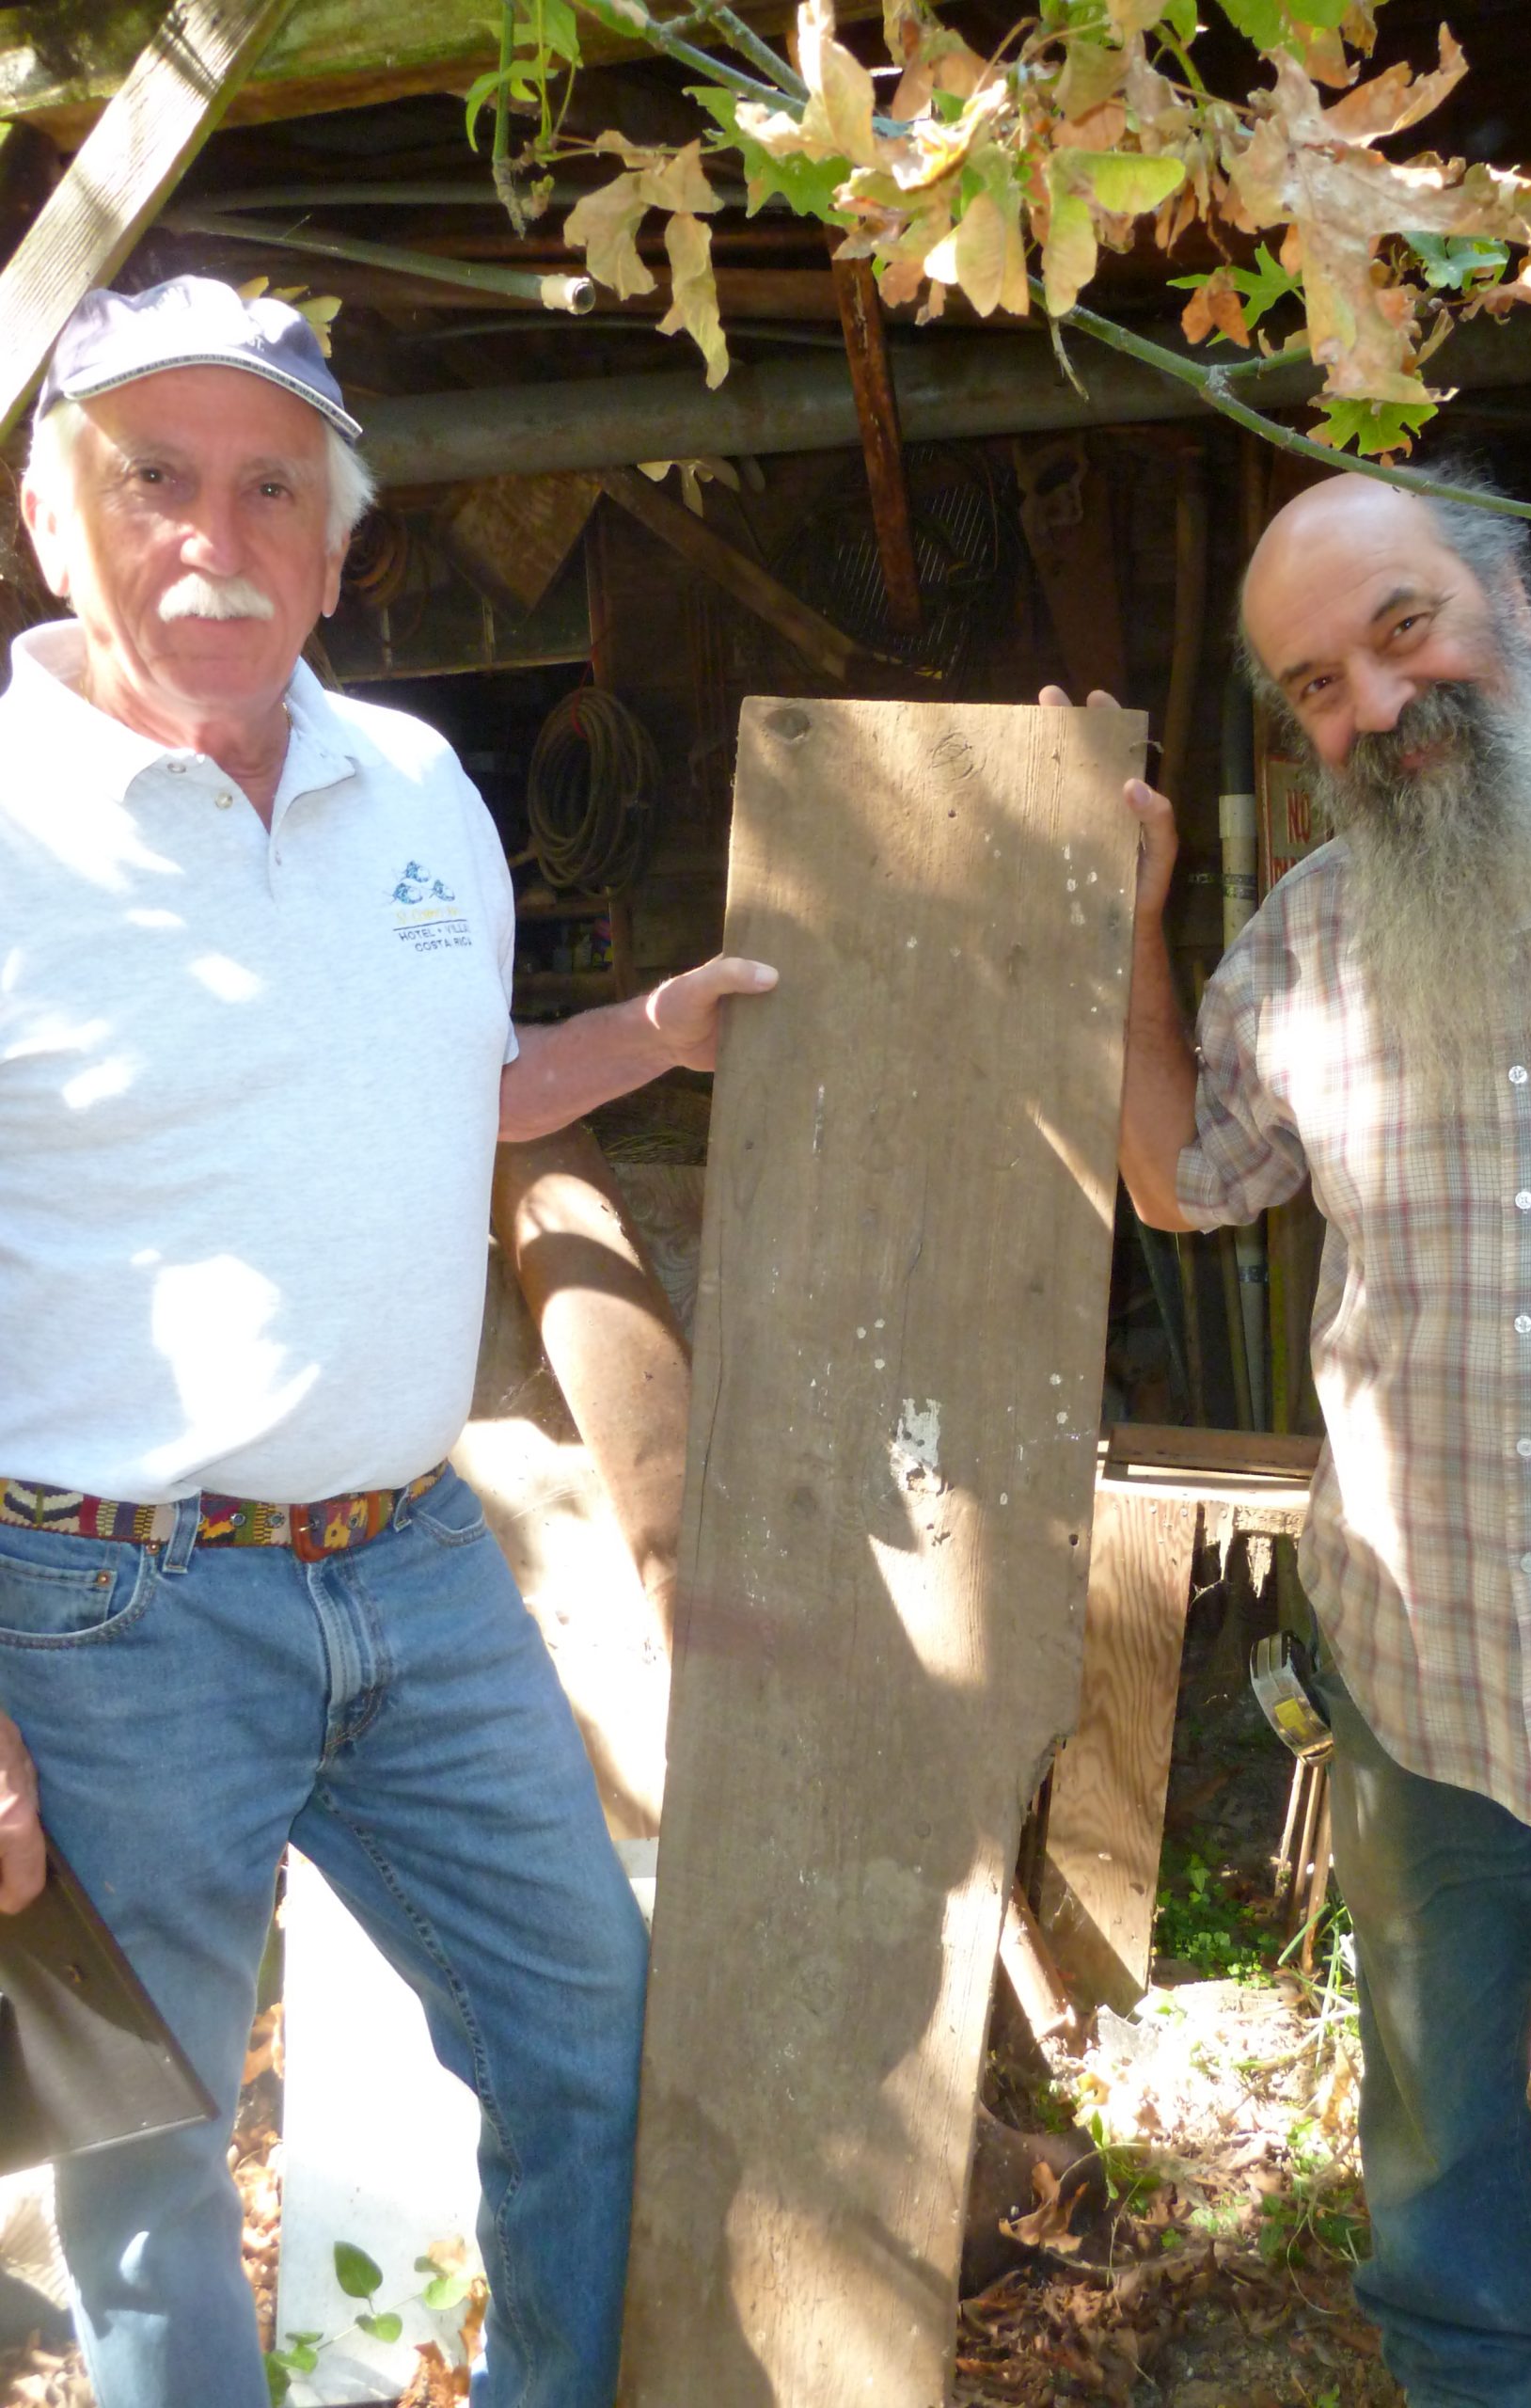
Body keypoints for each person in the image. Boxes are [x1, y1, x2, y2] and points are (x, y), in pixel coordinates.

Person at [0, 275, 775, 2408]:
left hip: (416, 1565)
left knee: (589, 2037)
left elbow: (456, 1081)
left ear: (340, 552)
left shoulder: (418, 781)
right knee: (144, 2161)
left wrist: (647, 1032)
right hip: (104, 1601)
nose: (213, 538)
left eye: (273, 490)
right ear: (50, 520)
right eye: (152, 479)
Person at [1096, 467, 1531, 2408]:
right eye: (1319, 688)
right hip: (1420, 1688)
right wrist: (1134, 929)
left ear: (1512, 597)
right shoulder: (1315, 937)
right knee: (1429, 2176)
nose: (1380, 707)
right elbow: (1178, 1177)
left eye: (1404, 630)